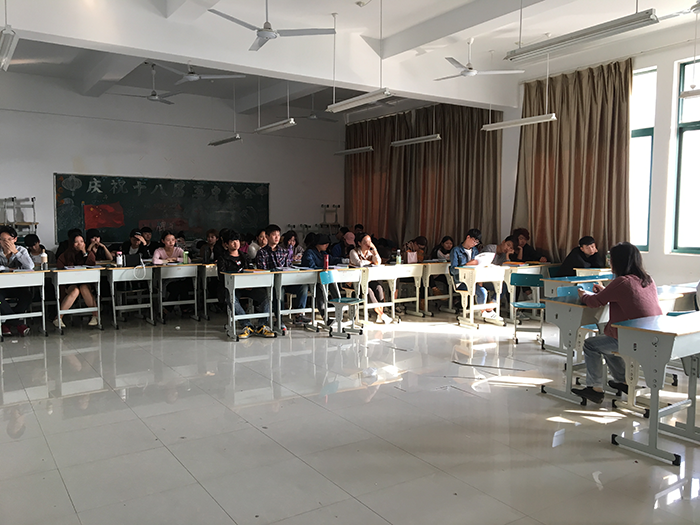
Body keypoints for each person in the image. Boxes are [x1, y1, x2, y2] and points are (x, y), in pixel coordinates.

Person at [571, 242, 662, 404]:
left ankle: (595, 388)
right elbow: (624, 296)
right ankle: (622, 381)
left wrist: (583, 294)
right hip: (651, 335)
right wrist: (606, 291)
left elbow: (594, 302)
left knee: (591, 345)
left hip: (632, 338)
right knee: (606, 342)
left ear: (617, 261)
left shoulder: (622, 281)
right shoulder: (647, 279)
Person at [217, 230, 274, 339]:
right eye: (232, 241)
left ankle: (262, 325)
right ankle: (247, 325)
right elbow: (222, 277)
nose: (236, 243)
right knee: (231, 299)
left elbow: (251, 271)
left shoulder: (245, 256)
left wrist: (250, 283)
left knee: (266, 297)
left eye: (237, 240)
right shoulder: (222, 258)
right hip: (232, 288)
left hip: (248, 287)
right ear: (226, 244)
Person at [255, 224, 311, 328]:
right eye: (274, 235)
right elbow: (262, 271)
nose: (277, 237)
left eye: (278, 235)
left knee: (303, 287)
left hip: (286, 281)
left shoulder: (283, 251)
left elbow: (288, 267)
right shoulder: (262, 252)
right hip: (272, 283)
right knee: (279, 290)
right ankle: (279, 319)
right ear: (267, 236)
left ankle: (299, 314)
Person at [55, 232, 99, 328]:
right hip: (70, 282)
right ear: (72, 244)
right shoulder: (65, 255)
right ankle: (58, 318)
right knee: (75, 291)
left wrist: (84, 253)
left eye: (82, 241)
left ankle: (95, 316)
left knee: (84, 288)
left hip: (85, 281)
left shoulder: (89, 253)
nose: (80, 244)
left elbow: (92, 264)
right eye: (76, 242)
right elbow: (60, 268)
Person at [349, 232, 392, 324]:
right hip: (357, 281)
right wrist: (371, 262)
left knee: (379, 288)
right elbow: (359, 263)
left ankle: (379, 315)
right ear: (359, 243)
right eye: (365, 242)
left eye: (370, 241)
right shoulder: (353, 252)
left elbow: (378, 262)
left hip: (370, 279)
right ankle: (381, 314)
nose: (368, 244)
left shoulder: (370, 252)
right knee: (369, 291)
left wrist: (375, 250)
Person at [0, 226, 34, 337]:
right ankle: (18, 324)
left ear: (15, 239)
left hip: (17, 285)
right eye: (3, 240)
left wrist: (15, 252)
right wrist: (10, 269)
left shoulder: (21, 250)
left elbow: (30, 266)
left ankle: (7, 324)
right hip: (1, 287)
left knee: (27, 296)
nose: (6, 243)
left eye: (9, 239)